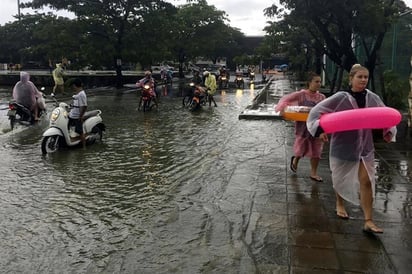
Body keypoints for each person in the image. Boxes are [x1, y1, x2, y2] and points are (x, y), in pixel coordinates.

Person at [306, 64, 397, 234]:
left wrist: (389, 131)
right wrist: (320, 130)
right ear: (351, 79)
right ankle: (340, 203)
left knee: (367, 181)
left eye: (366, 77)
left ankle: (368, 220)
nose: (363, 80)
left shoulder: (372, 97)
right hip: (343, 145)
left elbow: (385, 113)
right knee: (341, 177)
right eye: (360, 77)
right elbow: (316, 112)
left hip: (365, 147)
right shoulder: (341, 97)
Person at [275, 72, 326, 182]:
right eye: (316, 81)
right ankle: (296, 159)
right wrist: (284, 109)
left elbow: (326, 110)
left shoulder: (322, 97)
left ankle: (313, 173)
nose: (319, 84)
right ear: (309, 83)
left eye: (320, 82)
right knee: (301, 148)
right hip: (303, 126)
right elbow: (285, 99)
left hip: (316, 126)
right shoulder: (301, 94)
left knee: (317, 150)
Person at [68, 78, 87, 147]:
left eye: (72, 86)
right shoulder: (77, 93)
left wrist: (80, 116)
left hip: (77, 116)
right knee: (67, 127)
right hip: (71, 115)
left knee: (80, 131)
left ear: (74, 86)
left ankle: (84, 147)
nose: (72, 88)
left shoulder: (82, 94)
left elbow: (84, 106)